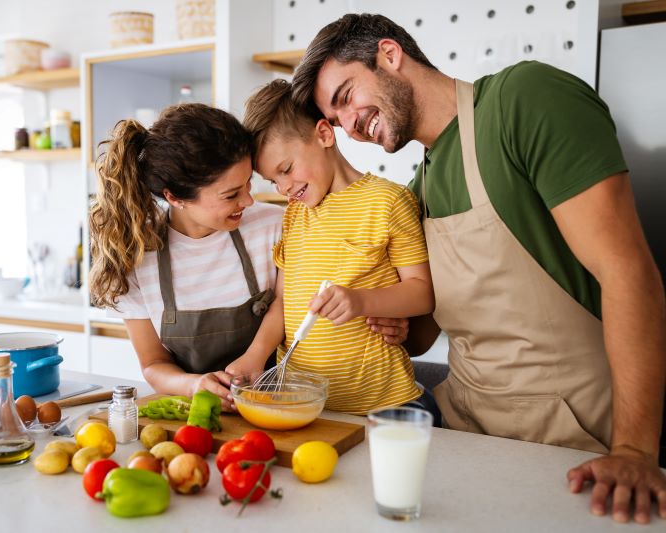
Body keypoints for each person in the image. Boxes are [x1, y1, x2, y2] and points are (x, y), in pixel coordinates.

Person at [291, 13, 666, 524]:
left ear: (389, 54)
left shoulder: (525, 99)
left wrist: (636, 452)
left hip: (573, 440)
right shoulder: (419, 189)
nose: (350, 125)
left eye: (345, 97)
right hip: (468, 438)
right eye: (335, 122)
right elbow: (426, 336)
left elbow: (629, 274)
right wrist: (386, 316)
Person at [89, 103, 408, 412]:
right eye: (231, 195)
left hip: (277, 407)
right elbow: (153, 364)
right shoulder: (136, 256)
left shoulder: (277, 223)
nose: (249, 200)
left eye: (248, 184)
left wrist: (389, 314)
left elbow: (323, 290)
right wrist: (194, 385)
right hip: (195, 417)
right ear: (175, 198)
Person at [227, 79, 438, 419]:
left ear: (324, 135)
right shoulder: (295, 216)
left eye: (286, 169)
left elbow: (423, 293)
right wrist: (255, 356)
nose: (284, 188)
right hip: (303, 404)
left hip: (384, 405)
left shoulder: (387, 201)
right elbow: (283, 301)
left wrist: (360, 301)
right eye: (273, 181)